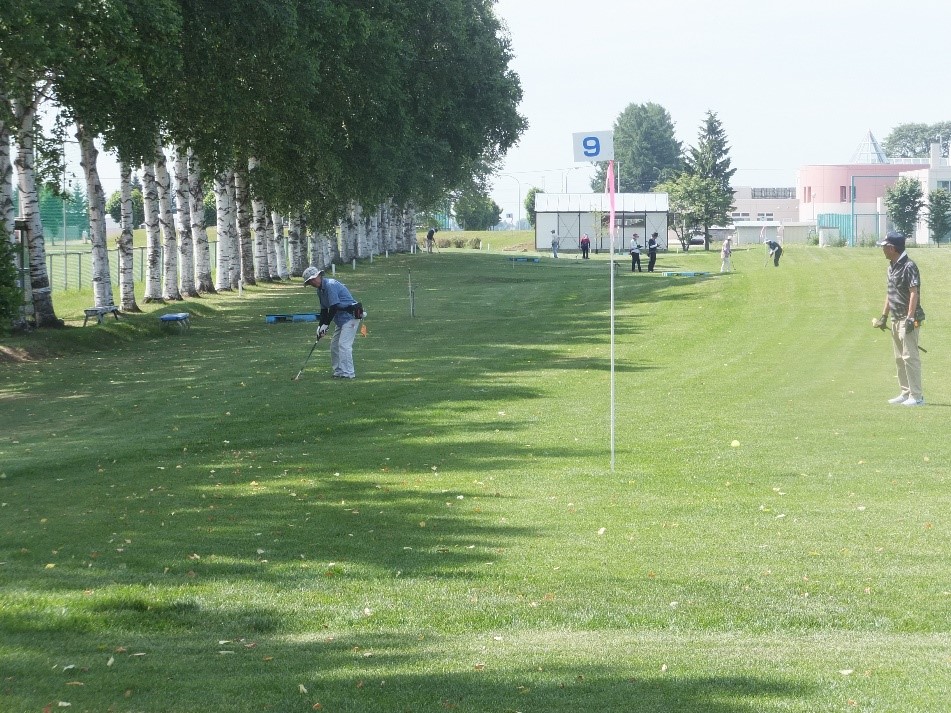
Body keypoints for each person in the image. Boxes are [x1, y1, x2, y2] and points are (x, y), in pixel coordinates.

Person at [873, 231, 925, 406]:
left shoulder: (909, 266)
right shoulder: (891, 266)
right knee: (899, 358)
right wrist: (884, 316)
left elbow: (913, 293)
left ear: (892, 248)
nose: (882, 250)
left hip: (908, 318)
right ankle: (906, 392)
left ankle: (917, 397)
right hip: (896, 318)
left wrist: (910, 318)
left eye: (884, 247)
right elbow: (890, 293)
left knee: (910, 357)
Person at [302, 266, 364, 380]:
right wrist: (320, 326)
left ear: (319, 276)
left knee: (344, 345)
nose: (312, 282)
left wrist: (326, 325)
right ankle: (339, 371)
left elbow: (334, 307)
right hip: (340, 320)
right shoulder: (320, 291)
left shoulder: (330, 285)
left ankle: (349, 373)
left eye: (313, 279)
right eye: (310, 281)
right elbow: (324, 310)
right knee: (334, 345)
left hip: (350, 317)